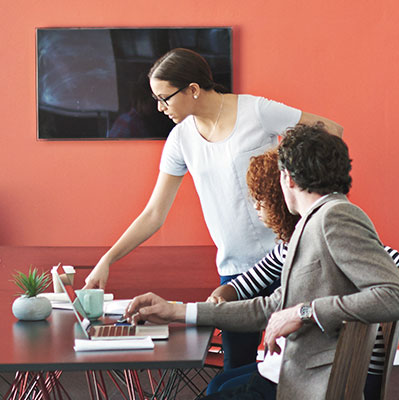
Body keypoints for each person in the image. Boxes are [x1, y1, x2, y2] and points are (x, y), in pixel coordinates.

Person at [82, 47, 344, 370]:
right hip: (235, 272)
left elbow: (332, 129)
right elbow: (154, 214)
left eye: (165, 98)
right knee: (237, 369)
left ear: (193, 90)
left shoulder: (255, 111)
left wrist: (291, 172)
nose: (159, 107)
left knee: (300, 367)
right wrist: (107, 260)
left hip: (287, 257)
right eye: (156, 99)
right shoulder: (180, 139)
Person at [126, 123, 399, 400]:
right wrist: (177, 312)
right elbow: (271, 307)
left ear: (287, 177)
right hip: (295, 374)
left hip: (304, 384)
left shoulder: (335, 218)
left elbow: (396, 298)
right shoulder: (311, 223)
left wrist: (302, 312)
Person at [202, 148, 399, 399]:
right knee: (218, 385)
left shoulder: (332, 230)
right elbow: (247, 282)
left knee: (223, 388)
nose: (256, 208)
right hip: (322, 356)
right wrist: (221, 294)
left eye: (260, 200)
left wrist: (342, 293)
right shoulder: (288, 245)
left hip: (351, 364)